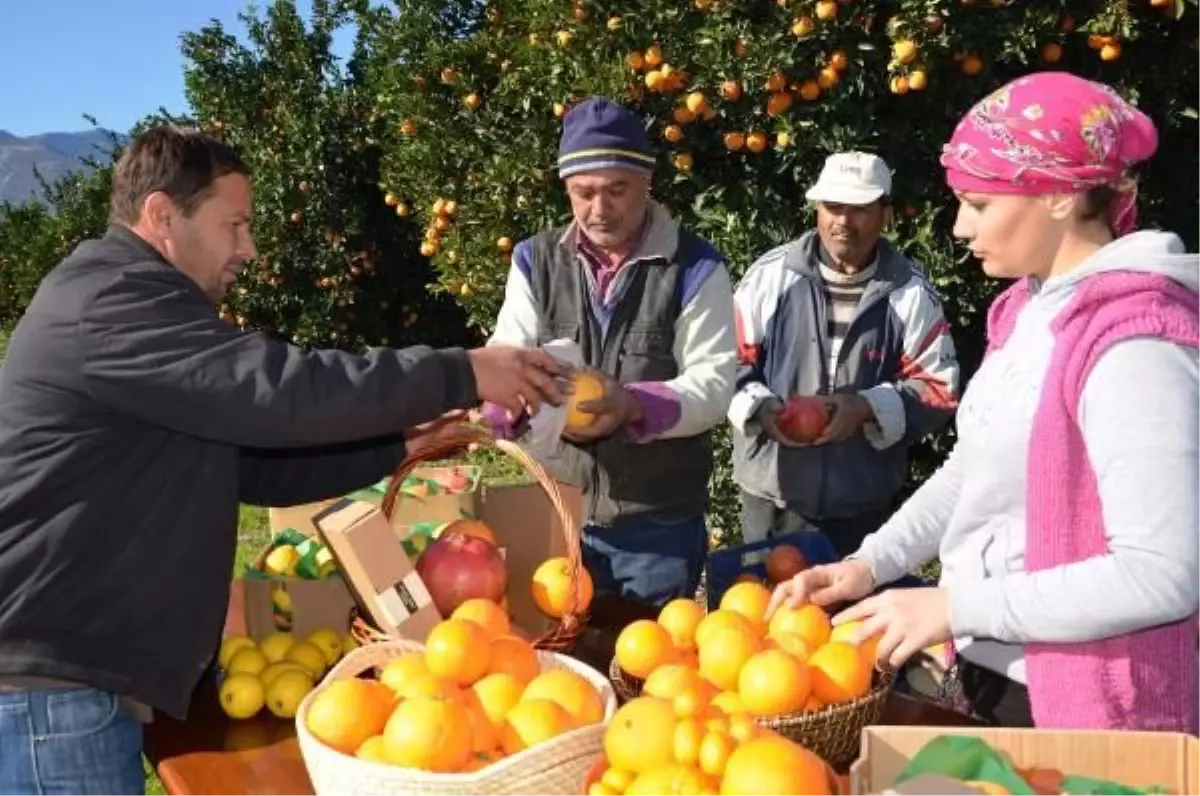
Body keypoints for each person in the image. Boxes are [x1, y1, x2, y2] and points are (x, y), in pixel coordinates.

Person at [0, 125, 564, 793]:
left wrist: (398, 445)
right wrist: (462, 370)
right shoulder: (114, 302)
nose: (248, 248)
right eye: (234, 225)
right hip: (51, 693)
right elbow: (279, 390)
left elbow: (254, 467)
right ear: (162, 216)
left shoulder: (128, 306)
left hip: (69, 683)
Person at [769, 72, 1200, 732]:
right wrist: (868, 565)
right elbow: (972, 472)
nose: (959, 226)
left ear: (1058, 195)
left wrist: (955, 606)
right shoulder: (1028, 310)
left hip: (1090, 714)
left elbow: (1162, 574)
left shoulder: (1133, 347)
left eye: (978, 203)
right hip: (994, 676)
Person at [484, 96, 737, 611]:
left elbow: (713, 385)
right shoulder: (535, 261)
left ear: (646, 182)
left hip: (656, 524)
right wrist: (503, 405)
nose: (599, 209)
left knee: (651, 654)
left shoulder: (696, 267)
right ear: (566, 189)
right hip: (557, 511)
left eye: (616, 190)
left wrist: (633, 405)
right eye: (584, 193)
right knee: (556, 654)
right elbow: (507, 352)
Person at [729, 151, 960, 558]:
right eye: (833, 207)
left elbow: (939, 388)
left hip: (861, 503)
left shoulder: (909, 293)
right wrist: (761, 408)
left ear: (885, 214)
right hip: (773, 494)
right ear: (817, 210)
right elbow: (727, 362)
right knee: (760, 597)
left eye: (859, 209)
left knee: (850, 600)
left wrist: (866, 407)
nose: (843, 221)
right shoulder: (771, 276)